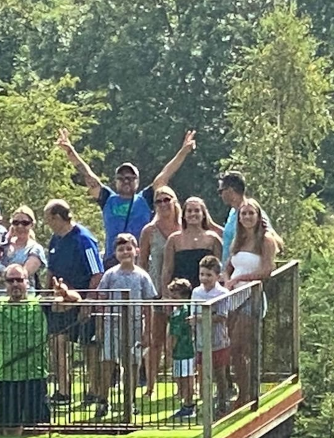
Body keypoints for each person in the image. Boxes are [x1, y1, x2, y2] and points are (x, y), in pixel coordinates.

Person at [0, 265, 83, 435]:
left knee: (38, 429)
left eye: (19, 280)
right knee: (9, 429)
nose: (15, 284)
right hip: (6, 377)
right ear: (5, 284)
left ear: (27, 282)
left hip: (34, 375)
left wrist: (65, 293)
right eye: (11, 281)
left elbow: (76, 300)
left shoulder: (41, 304)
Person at [56, 128, 197, 265]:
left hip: (139, 261)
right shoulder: (107, 199)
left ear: (137, 181)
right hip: (112, 260)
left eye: (130, 178)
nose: (126, 181)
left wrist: (183, 151)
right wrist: (70, 151)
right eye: (121, 178)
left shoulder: (145, 199)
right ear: (115, 181)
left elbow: (165, 175)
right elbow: (88, 175)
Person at [42, 199, 104, 404]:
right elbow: (51, 269)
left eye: (48, 218)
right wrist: (47, 294)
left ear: (57, 217)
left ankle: (94, 390)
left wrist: (88, 302)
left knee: (89, 345)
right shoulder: (55, 240)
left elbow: (97, 273)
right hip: (60, 302)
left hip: (82, 301)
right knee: (58, 342)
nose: (47, 223)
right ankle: (63, 390)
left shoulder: (84, 239)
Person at [93, 234, 158, 420]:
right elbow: (101, 300)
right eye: (121, 249)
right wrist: (100, 327)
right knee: (107, 362)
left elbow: (148, 305)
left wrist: (148, 331)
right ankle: (103, 400)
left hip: (135, 326)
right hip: (112, 325)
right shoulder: (110, 275)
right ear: (115, 253)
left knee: (132, 364)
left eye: (129, 248)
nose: (125, 252)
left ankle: (130, 401)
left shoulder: (142, 276)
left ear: (136, 250)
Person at [224, 199, 281, 407]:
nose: (247, 217)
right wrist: (227, 280)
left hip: (252, 297)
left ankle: (247, 394)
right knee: (233, 349)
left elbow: (267, 270)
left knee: (241, 346)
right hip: (233, 298)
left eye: (251, 213)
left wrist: (241, 279)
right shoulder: (239, 239)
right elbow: (229, 266)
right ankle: (243, 390)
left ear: (258, 216)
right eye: (243, 214)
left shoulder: (266, 240)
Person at [138, 186, 181, 397]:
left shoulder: (184, 227)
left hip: (181, 292)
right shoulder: (149, 231)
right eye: (159, 201)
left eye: (167, 200)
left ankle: (182, 386)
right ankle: (150, 386)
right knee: (155, 341)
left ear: (174, 201)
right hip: (156, 291)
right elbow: (142, 263)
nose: (163, 204)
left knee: (180, 341)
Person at [191, 255, 231, 416]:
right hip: (201, 339)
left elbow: (222, 316)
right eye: (202, 274)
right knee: (203, 372)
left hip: (218, 339)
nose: (204, 278)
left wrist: (202, 318)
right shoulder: (196, 292)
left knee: (220, 373)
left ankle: (222, 403)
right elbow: (193, 313)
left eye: (209, 275)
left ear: (217, 276)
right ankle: (206, 404)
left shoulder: (222, 293)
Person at [162, 197, 223, 291]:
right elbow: (167, 270)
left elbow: (219, 268)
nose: (193, 214)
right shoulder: (173, 239)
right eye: (189, 211)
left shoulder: (213, 239)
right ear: (184, 215)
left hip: (206, 291)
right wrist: (165, 293)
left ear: (203, 214)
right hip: (180, 292)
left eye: (197, 210)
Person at [217, 171, 273, 268]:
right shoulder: (232, 212)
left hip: (248, 269)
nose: (220, 195)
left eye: (221, 191)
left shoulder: (253, 214)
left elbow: (271, 237)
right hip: (230, 270)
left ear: (230, 190)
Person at [165, 278, 196, 420]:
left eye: (175, 297)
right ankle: (185, 403)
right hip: (180, 352)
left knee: (186, 377)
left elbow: (175, 334)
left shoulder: (183, 311)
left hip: (184, 350)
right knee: (180, 376)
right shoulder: (177, 311)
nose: (172, 300)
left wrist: (170, 348)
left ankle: (189, 405)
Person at [3, 205, 46, 288]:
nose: (20, 226)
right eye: (16, 223)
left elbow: (23, 274)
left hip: (24, 293)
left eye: (25, 223)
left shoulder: (35, 249)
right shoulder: (4, 245)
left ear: (32, 225)